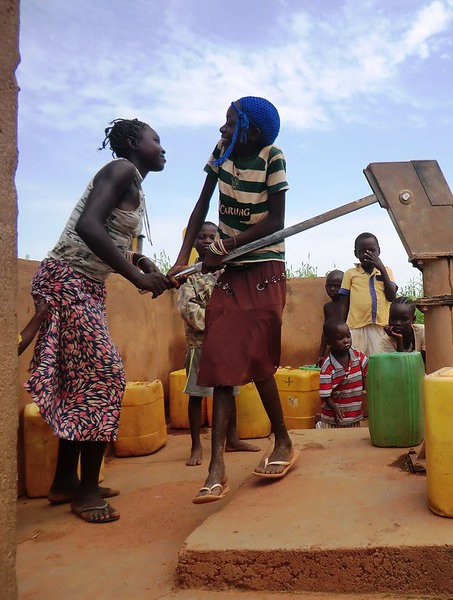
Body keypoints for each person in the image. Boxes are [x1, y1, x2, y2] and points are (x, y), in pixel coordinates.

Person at [24, 118, 173, 523]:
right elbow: (88, 226)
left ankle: (63, 482)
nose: (163, 148)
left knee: (81, 382)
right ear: (131, 143)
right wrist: (138, 277)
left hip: (86, 285)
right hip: (68, 280)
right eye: (155, 140)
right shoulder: (120, 169)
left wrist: (141, 260)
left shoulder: (134, 186)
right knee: (104, 377)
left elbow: (113, 235)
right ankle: (86, 490)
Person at [167, 96, 298, 503]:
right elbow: (202, 204)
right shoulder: (221, 153)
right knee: (221, 358)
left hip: (264, 268)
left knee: (259, 358)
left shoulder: (273, 157)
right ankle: (216, 466)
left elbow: (276, 220)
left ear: (252, 132)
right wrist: (181, 257)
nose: (222, 129)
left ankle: (283, 441)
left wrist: (226, 245)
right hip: (231, 271)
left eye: (231, 123)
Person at [177, 221, 259, 466]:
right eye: (201, 237)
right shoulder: (189, 275)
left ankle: (232, 439)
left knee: (230, 392)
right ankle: (195, 447)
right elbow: (187, 309)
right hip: (200, 345)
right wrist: (217, 326)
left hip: (227, 346)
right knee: (197, 395)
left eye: (212, 236)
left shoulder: (226, 272)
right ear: (193, 242)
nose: (206, 241)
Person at [339, 232, 397, 356]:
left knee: (378, 360)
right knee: (356, 360)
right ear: (356, 254)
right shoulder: (350, 273)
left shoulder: (386, 271)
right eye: (362, 251)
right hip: (356, 327)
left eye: (372, 250)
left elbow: (392, 296)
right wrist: (342, 325)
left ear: (379, 251)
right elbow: (344, 302)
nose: (367, 254)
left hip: (380, 326)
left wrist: (381, 268)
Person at [317, 319, 368, 429]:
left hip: (354, 416)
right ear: (329, 342)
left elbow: (371, 372)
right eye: (341, 338)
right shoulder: (327, 367)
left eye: (348, 336)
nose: (346, 341)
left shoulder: (358, 357)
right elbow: (325, 395)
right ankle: (320, 426)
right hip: (333, 419)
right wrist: (334, 407)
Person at [317, 269, 345, 366]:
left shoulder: (348, 304)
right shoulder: (328, 307)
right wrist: (321, 354)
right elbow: (326, 331)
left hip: (347, 347)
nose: (332, 289)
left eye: (337, 286)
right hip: (333, 349)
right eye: (329, 286)